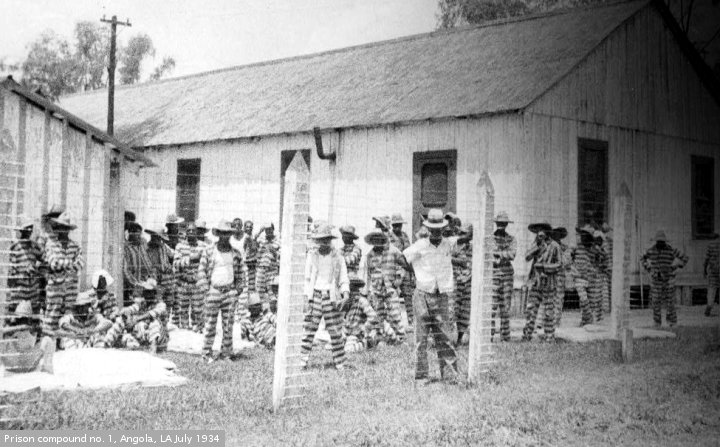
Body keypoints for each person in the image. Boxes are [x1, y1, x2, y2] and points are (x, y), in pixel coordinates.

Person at [403, 209, 459, 382]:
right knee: (421, 338)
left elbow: (467, 235)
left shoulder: (448, 244)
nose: (435, 232)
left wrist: (454, 222)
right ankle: (421, 376)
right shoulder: (420, 245)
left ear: (443, 228)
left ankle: (450, 375)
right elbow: (404, 258)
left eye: (439, 228)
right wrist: (417, 273)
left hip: (441, 295)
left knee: (445, 336)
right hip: (422, 294)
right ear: (427, 228)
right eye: (432, 229)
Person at [300, 224, 350, 370]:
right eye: (321, 240)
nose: (324, 243)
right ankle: (302, 361)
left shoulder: (338, 257)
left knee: (335, 330)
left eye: (326, 240)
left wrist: (345, 294)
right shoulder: (312, 256)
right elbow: (307, 278)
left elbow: (343, 278)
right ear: (317, 241)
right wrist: (306, 297)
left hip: (331, 296)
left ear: (330, 240)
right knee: (309, 329)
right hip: (315, 295)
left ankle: (340, 362)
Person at [198, 220, 244, 362]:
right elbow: (201, 270)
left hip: (229, 292)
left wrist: (238, 289)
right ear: (218, 234)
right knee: (210, 324)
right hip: (214, 291)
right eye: (222, 233)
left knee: (228, 325)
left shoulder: (236, 253)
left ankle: (226, 354)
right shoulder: (209, 251)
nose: (225, 236)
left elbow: (241, 273)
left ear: (230, 234)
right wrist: (206, 289)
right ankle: (206, 353)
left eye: (227, 233)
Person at [42, 212, 85, 340]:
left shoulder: (75, 246)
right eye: (61, 227)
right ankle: (49, 342)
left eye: (66, 228)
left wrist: (64, 265)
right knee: (52, 315)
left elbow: (80, 264)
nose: (63, 230)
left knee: (68, 315)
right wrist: (71, 264)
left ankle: (64, 341)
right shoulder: (51, 244)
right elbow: (54, 263)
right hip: (55, 287)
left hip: (71, 287)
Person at [361, 230, 408, 344]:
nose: (377, 242)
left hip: (390, 288)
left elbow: (404, 264)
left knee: (395, 313)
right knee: (379, 314)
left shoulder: (393, 251)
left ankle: (401, 337)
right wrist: (366, 291)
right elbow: (367, 274)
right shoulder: (369, 255)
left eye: (379, 238)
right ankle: (381, 336)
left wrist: (399, 278)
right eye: (374, 239)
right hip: (376, 289)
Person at [522, 222, 561, 342]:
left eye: (543, 230)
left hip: (549, 283)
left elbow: (559, 264)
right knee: (531, 309)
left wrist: (544, 267)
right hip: (535, 282)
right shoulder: (535, 244)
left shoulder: (554, 245)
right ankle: (527, 335)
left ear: (547, 232)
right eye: (538, 231)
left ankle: (549, 337)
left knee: (549, 311)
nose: (540, 233)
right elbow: (527, 257)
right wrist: (537, 247)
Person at [104, 279, 168, 353]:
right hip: (145, 334)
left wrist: (136, 319)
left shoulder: (161, 305)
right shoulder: (142, 304)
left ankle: (153, 348)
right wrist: (126, 316)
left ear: (154, 293)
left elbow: (151, 314)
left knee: (154, 322)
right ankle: (107, 343)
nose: (146, 294)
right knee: (121, 320)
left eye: (149, 292)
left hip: (159, 337)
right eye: (145, 291)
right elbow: (130, 309)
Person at [642, 230, 688, 327]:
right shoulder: (651, 250)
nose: (660, 243)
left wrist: (676, 266)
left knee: (670, 302)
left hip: (668, 280)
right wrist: (648, 267)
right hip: (656, 280)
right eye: (659, 241)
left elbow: (685, 258)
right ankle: (657, 322)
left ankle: (672, 322)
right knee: (655, 302)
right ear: (656, 241)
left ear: (664, 241)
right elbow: (642, 257)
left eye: (662, 242)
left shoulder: (671, 250)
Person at [174, 222, 207, 331]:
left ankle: (197, 328)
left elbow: (206, 264)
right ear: (186, 232)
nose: (191, 232)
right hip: (183, 282)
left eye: (193, 230)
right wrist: (191, 258)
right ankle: (184, 329)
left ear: (197, 232)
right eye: (189, 230)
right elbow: (176, 264)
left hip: (197, 283)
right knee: (182, 309)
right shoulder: (180, 246)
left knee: (198, 309)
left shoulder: (203, 246)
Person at [8, 218, 44, 316]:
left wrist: (38, 271)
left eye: (31, 228)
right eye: (27, 229)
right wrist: (21, 272)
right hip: (19, 287)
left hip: (33, 287)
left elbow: (44, 259)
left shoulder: (34, 246)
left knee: (34, 312)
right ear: (22, 230)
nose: (29, 231)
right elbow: (12, 268)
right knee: (15, 312)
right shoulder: (15, 246)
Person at [491, 212, 516, 343]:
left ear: (506, 224)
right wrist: (502, 254)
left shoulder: (511, 239)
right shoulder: (490, 238)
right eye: (499, 223)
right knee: (491, 307)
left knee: (505, 307)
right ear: (496, 223)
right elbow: (487, 254)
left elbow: (512, 254)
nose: (501, 225)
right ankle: (488, 336)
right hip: (493, 275)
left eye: (503, 223)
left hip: (506, 275)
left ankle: (505, 337)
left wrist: (497, 254)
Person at [389, 214, 415, 327]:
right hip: (394, 270)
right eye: (395, 225)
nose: (397, 228)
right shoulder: (389, 237)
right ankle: (395, 323)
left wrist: (412, 271)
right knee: (392, 297)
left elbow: (409, 253)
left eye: (399, 225)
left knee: (408, 296)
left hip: (406, 269)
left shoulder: (405, 236)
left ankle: (411, 320)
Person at [145, 228, 176, 321]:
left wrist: (171, 267)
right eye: (156, 237)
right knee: (158, 299)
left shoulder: (164, 247)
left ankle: (166, 319)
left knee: (169, 299)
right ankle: (158, 320)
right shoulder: (147, 248)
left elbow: (173, 255)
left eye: (159, 238)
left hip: (167, 277)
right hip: (155, 278)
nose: (158, 240)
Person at [123, 221, 155, 307]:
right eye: (137, 234)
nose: (139, 236)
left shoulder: (142, 245)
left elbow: (148, 262)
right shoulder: (126, 248)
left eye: (140, 234)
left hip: (146, 282)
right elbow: (125, 270)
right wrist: (135, 284)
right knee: (136, 306)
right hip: (134, 286)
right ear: (130, 233)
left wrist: (152, 276)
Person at [452, 224, 473, 346]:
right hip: (456, 281)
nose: (462, 235)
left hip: (468, 282)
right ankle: (449, 339)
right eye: (461, 233)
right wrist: (460, 262)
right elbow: (447, 258)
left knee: (465, 312)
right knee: (453, 310)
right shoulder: (454, 245)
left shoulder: (473, 247)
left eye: (465, 233)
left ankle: (459, 339)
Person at [704, 233, 720, 316]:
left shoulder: (710, 245)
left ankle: (709, 305)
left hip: (713, 270)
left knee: (712, 288)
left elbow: (706, 258)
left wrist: (704, 270)